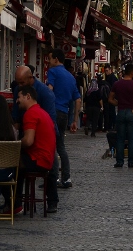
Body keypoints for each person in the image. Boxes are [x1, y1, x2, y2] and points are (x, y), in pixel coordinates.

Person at [11, 65, 59, 212]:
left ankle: (49, 201)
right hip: (34, 140)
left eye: (21, 83)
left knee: (14, 163)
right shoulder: (20, 94)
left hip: (42, 145)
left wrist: (16, 144)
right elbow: (16, 115)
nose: (18, 87)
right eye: (17, 83)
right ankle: (16, 201)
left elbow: (48, 124)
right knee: (18, 161)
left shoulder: (44, 95)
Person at [47, 48, 81, 188]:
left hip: (53, 112)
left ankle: (52, 178)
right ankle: (66, 178)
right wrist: (74, 120)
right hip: (64, 114)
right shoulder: (70, 77)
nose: (48, 62)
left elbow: (49, 90)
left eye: (49, 59)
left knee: (50, 145)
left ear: (56, 59)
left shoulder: (53, 72)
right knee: (61, 146)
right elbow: (78, 100)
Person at [109, 62, 133, 168]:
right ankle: (131, 161)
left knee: (120, 138)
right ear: (132, 72)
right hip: (132, 113)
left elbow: (110, 99)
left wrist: (118, 103)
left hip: (121, 112)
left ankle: (119, 161)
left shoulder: (117, 84)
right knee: (132, 138)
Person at [103, 64, 118, 132]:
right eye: (105, 71)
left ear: (110, 70)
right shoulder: (108, 77)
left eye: (107, 70)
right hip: (108, 98)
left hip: (111, 98)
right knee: (110, 112)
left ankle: (113, 126)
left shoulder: (112, 78)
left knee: (111, 112)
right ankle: (110, 126)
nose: (106, 72)